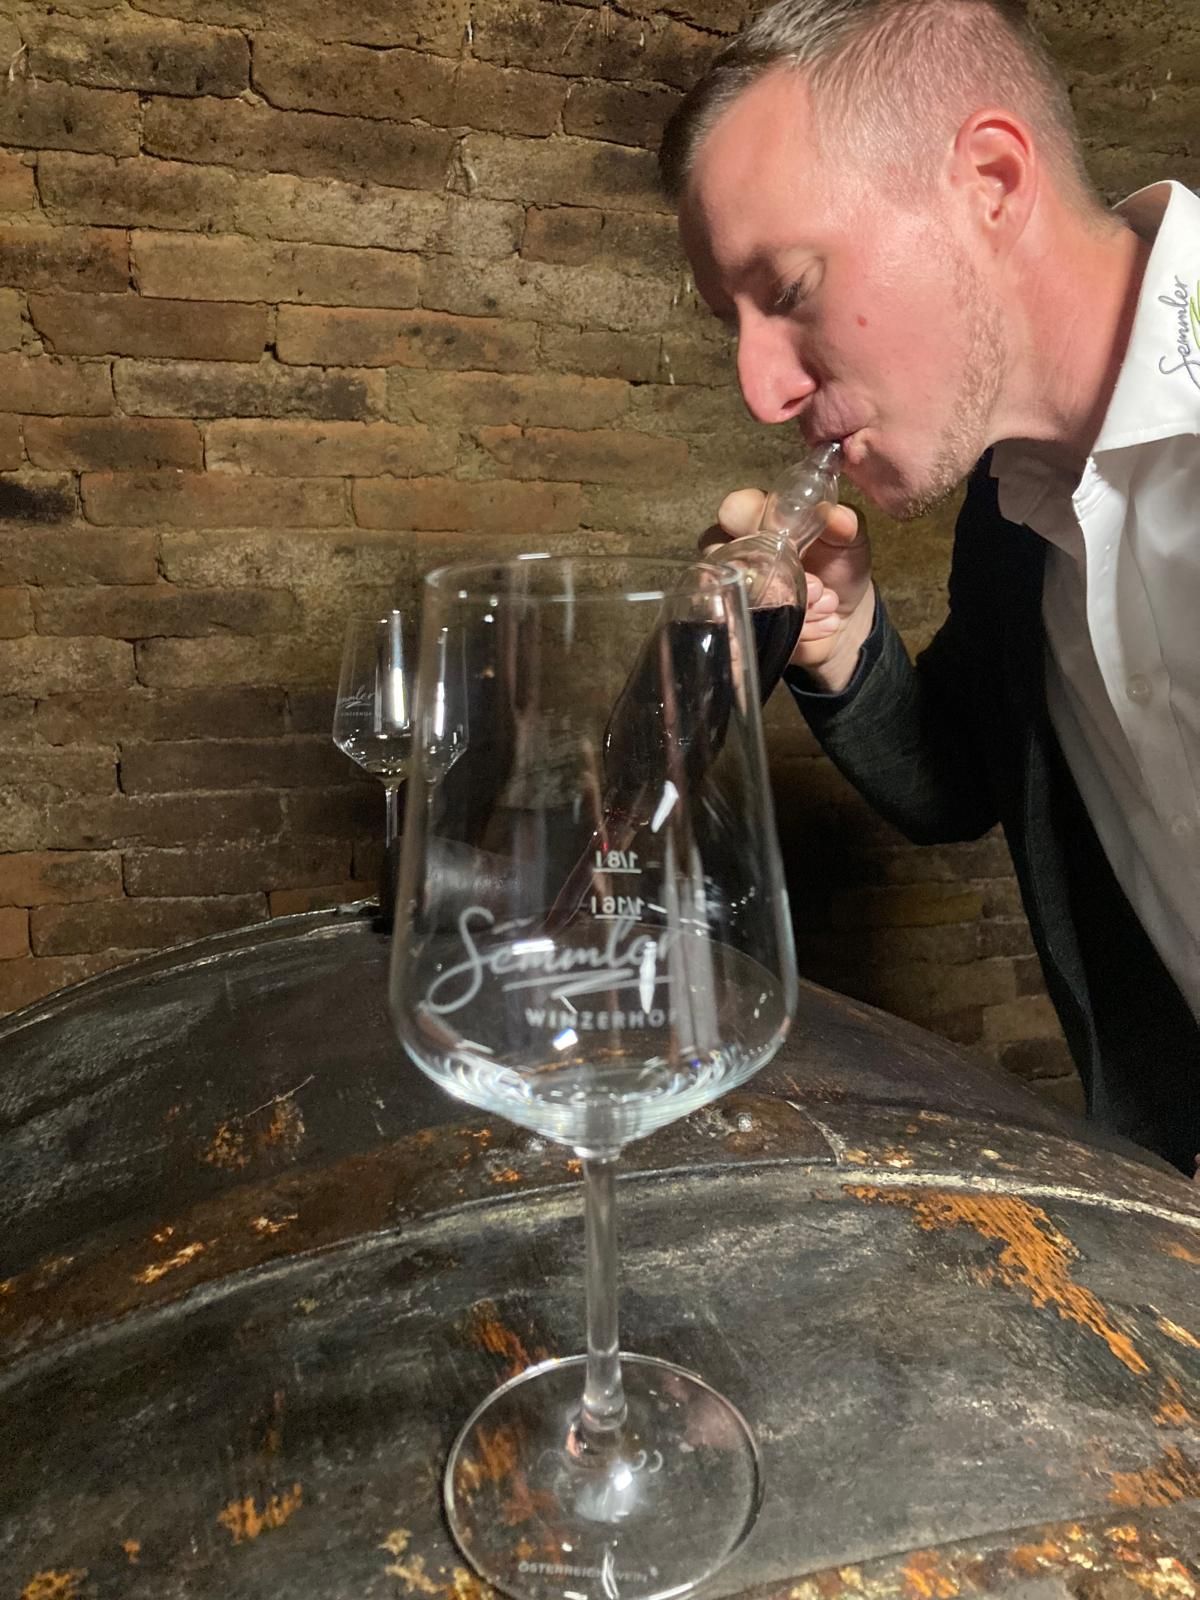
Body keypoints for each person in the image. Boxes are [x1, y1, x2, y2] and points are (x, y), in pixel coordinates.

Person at [659, 0, 1200, 1176]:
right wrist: (842, 639)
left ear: (992, 180)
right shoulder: (1014, 508)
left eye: (788, 286)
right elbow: (966, 775)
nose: (757, 389)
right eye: (732, 325)